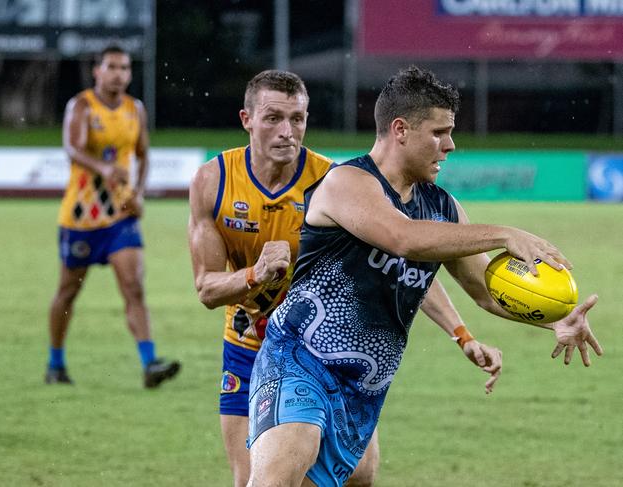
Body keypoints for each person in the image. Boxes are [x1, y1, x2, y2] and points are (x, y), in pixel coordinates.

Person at [246, 66, 603, 487]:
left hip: (364, 386)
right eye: (440, 132)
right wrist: (506, 233)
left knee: (360, 478)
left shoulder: (442, 208)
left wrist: (553, 320)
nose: (450, 145)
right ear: (400, 129)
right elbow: (403, 238)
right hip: (301, 360)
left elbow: (486, 292)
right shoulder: (349, 182)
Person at [188, 70, 503, 487]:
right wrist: (254, 275)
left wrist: (461, 333)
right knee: (261, 477)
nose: (287, 131)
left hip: (341, 357)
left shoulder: (331, 180)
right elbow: (207, 289)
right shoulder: (215, 181)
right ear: (246, 119)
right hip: (254, 345)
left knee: (360, 475)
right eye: (273, 119)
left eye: (297, 119)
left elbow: (403, 266)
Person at [45, 45, 181, 388]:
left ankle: (150, 364)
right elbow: (72, 147)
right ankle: (55, 362)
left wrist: (138, 192)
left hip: (120, 214)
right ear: (97, 71)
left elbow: (143, 155)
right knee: (67, 293)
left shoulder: (135, 109)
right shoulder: (81, 106)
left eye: (124, 68)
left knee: (134, 287)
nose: (119, 73)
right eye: (112, 67)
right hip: (82, 215)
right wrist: (104, 166)